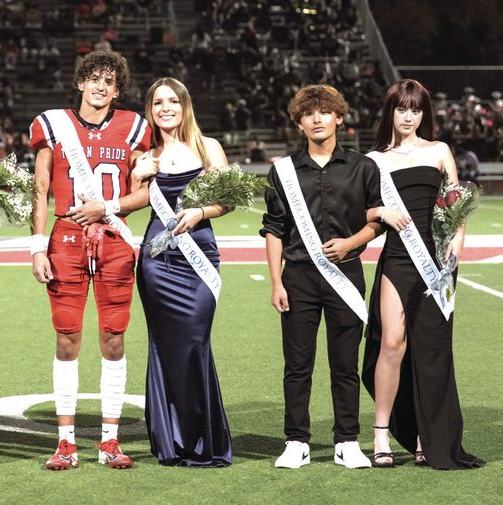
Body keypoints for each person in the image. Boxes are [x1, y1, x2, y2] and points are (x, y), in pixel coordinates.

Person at [27, 50, 151, 470]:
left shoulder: (135, 127)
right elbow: (40, 187)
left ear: (118, 90)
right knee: (66, 336)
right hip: (65, 237)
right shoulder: (52, 123)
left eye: (110, 82)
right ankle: (65, 442)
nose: (101, 87)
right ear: (80, 82)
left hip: (114, 237)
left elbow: (143, 192)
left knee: (114, 335)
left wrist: (107, 208)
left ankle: (109, 440)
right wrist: (36, 246)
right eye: (94, 79)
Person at [261, 84, 387, 469]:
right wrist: (276, 281)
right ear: (299, 122)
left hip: (345, 274)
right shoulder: (281, 170)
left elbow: (377, 221)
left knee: (344, 363)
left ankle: (347, 441)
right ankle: (296, 440)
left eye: (324, 112)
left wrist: (350, 243)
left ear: (339, 118)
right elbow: (273, 229)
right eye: (308, 113)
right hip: (297, 277)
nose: (317, 119)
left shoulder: (363, 166)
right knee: (297, 365)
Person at [361, 79, 484, 470]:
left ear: (423, 114)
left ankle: (425, 436)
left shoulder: (439, 151)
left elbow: (455, 202)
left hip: (437, 260)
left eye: (415, 110)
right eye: (401, 109)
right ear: (390, 112)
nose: (408, 117)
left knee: (430, 350)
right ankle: (380, 433)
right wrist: (380, 212)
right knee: (392, 343)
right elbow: (362, 213)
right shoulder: (374, 160)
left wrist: (459, 240)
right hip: (397, 258)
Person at [134, 77, 233, 467]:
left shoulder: (209, 148)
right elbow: (132, 199)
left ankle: (201, 438)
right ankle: (169, 442)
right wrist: (139, 172)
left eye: (172, 101)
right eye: (158, 103)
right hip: (157, 260)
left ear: (185, 105)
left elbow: (227, 201)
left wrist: (201, 212)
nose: (165, 108)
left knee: (194, 341)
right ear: (150, 110)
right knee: (163, 345)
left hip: (198, 256)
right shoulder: (145, 153)